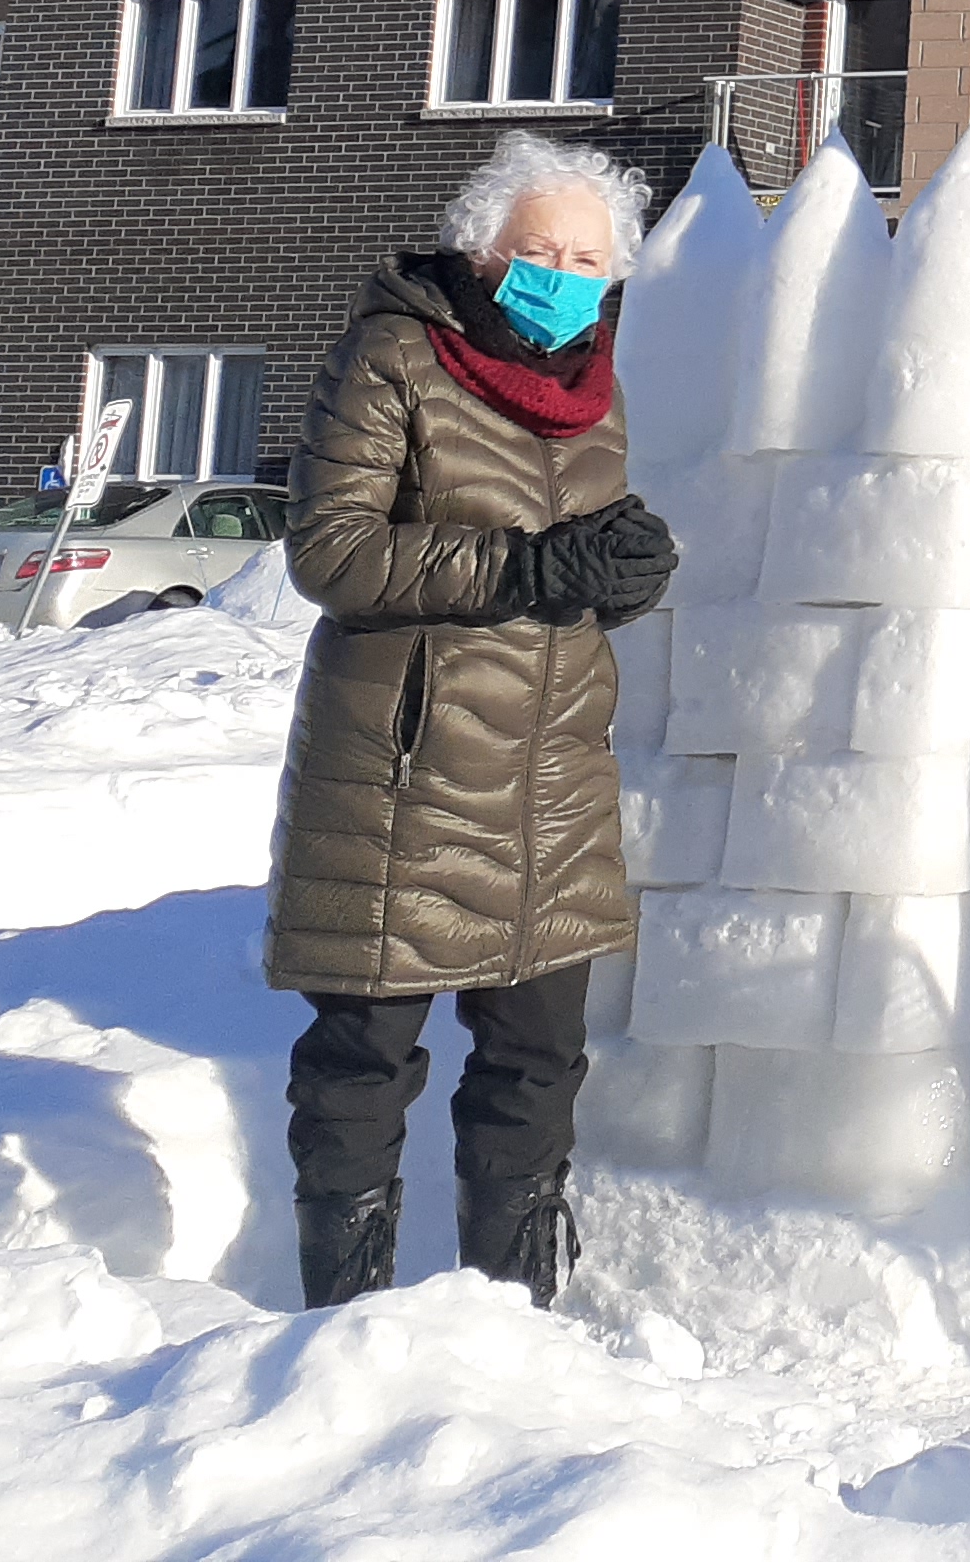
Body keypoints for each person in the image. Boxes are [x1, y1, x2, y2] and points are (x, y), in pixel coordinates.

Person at [265, 132, 678, 1313]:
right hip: (401, 771)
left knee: (539, 1065)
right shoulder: (393, 355)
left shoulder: (593, 393)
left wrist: (616, 575)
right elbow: (330, 552)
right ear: (483, 251)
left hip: (549, 780)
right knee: (363, 1065)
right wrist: (536, 565)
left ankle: (508, 1325)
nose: (562, 271)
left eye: (587, 257)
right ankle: (340, 1327)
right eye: (538, 248)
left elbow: (563, 570)